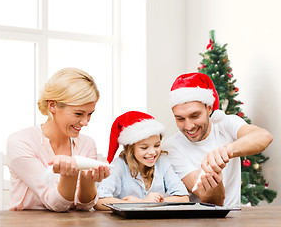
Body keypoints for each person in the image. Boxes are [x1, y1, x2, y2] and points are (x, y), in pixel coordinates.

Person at [7, 67, 110, 212]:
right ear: (52, 105)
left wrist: (88, 180)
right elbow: (56, 204)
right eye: (79, 113)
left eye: (89, 114)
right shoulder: (20, 142)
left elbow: (84, 206)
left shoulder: (87, 143)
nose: (86, 122)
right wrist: (70, 175)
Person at [163, 72, 273, 207]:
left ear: (209, 108)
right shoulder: (172, 147)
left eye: (195, 116)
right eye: (180, 118)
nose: (189, 126)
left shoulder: (225, 123)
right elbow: (209, 200)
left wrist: (226, 151)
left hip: (234, 218)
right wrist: (213, 179)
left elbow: (263, 137)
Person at [94, 111, 189, 210]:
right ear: (130, 148)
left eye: (157, 145)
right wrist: (142, 203)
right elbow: (100, 201)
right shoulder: (119, 165)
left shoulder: (162, 161)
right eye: (144, 148)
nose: (152, 152)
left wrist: (149, 203)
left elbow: (184, 198)